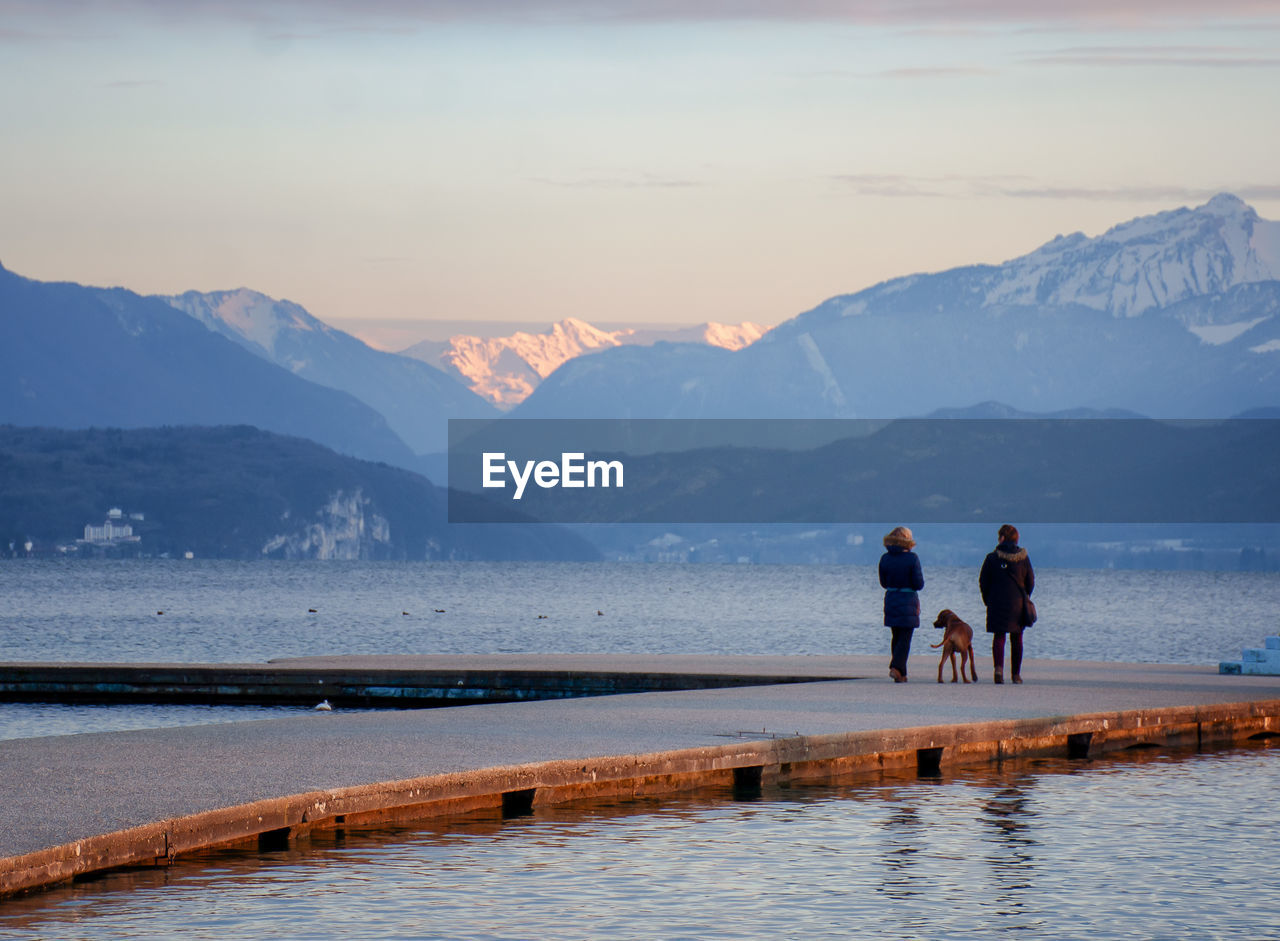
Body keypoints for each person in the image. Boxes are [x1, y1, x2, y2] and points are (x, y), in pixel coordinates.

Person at [978, 524, 1035, 685]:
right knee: (1017, 638)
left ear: (1002, 538)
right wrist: (1025, 596)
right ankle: (1016, 675)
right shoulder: (1023, 558)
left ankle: (998, 670)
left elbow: (983, 581)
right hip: (1018, 603)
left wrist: (988, 599)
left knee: (999, 637)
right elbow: (1031, 581)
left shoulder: (991, 558)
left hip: (996, 603)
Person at [879, 525, 924, 683]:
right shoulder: (912, 558)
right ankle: (896, 666)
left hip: (891, 598)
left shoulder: (885, 558)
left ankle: (902, 674)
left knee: (896, 636)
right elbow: (919, 584)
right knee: (905, 638)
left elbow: (883, 582)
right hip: (908, 599)